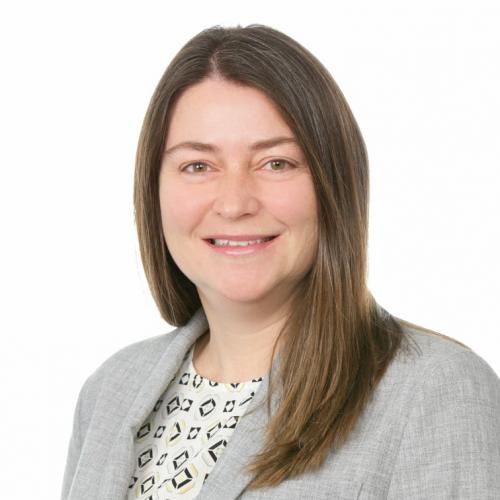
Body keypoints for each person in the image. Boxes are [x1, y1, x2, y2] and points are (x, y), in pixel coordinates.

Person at [60, 24, 500, 500]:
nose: (234, 203)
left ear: (334, 183)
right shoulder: (109, 392)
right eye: (198, 166)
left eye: (276, 163)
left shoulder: (435, 393)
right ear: (154, 190)